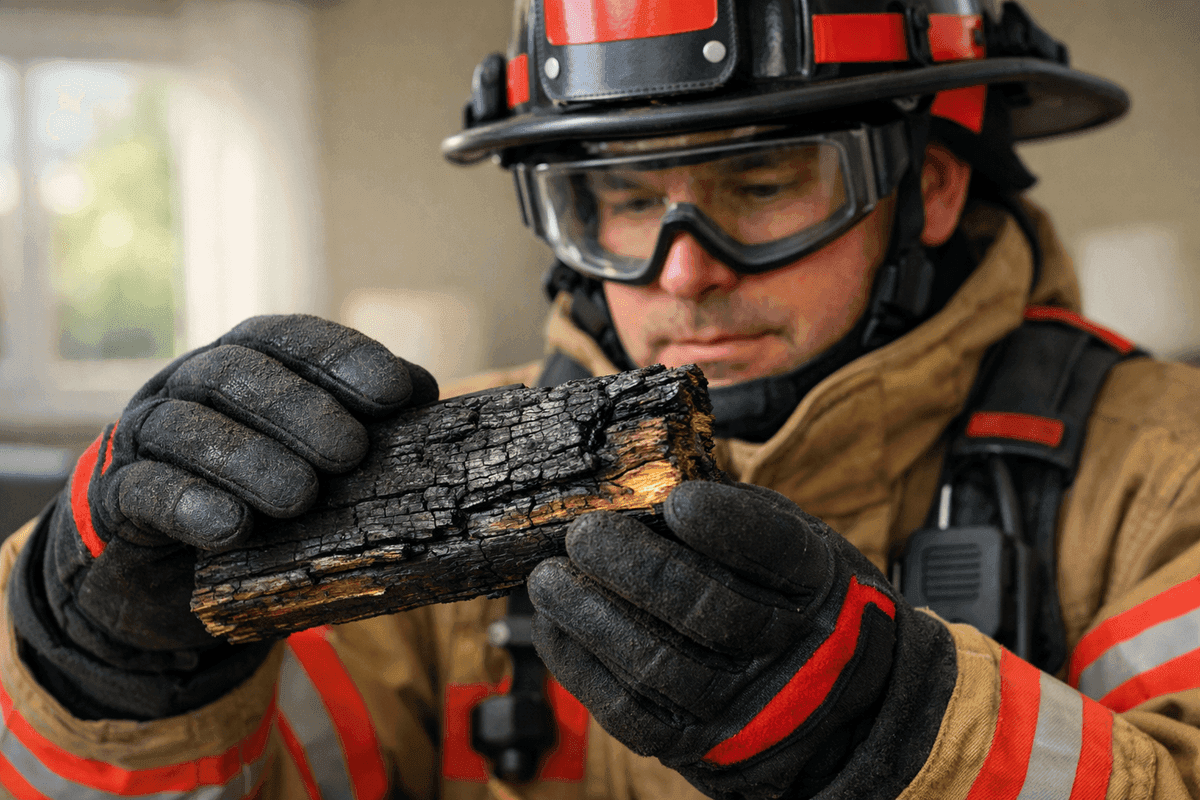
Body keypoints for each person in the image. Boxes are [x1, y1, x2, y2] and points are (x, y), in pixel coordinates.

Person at [0, 0, 1198, 798]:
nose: (684, 268)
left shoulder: (1160, 472)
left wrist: (885, 728)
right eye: (625, 200)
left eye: (767, 179)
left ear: (927, 188)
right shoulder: (418, 486)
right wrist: (94, 662)